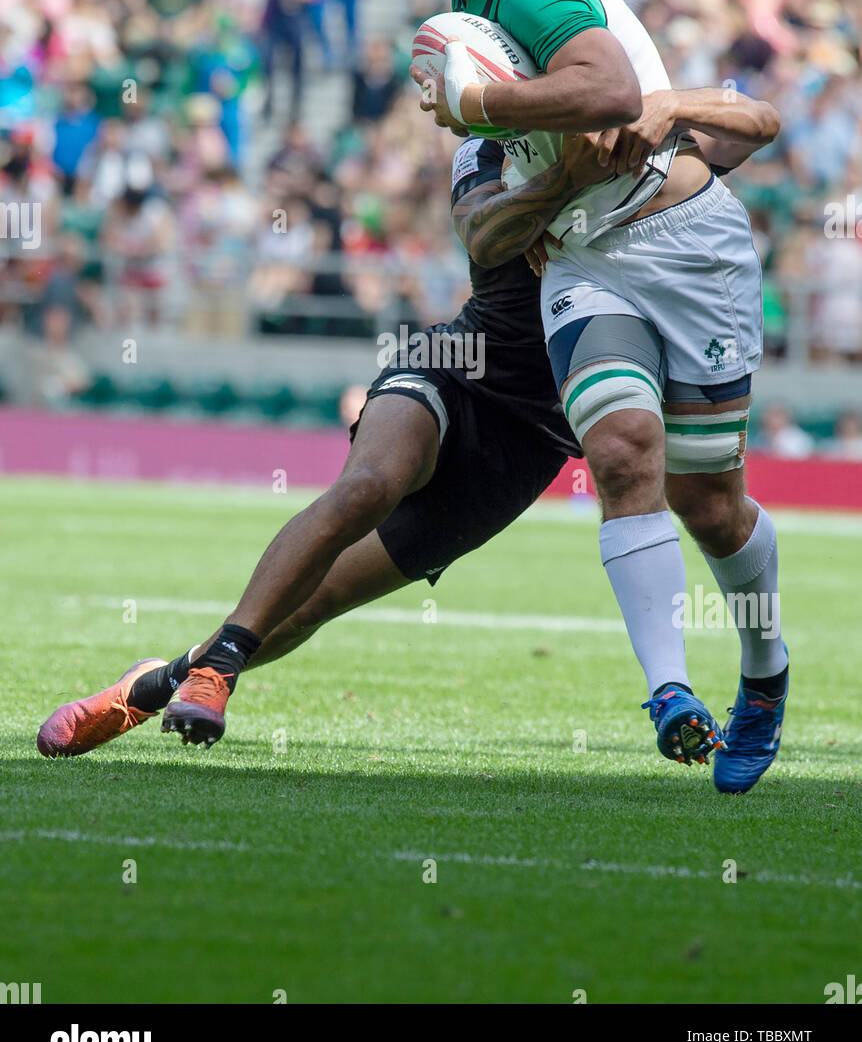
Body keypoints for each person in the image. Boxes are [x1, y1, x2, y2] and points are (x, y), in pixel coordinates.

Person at [37, 83, 778, 793]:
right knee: (367, 485)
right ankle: (216, 670)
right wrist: (565, 179)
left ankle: (158, 680)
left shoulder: (623, 112)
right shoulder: (484, 156)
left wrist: (669, 107)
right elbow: (488, 236)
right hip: (462, 365)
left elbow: (751, 122)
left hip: (531, 437)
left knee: (313, 601)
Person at [371, 0, 787, 789]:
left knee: (711, 502)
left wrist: (488, 102)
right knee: (619, 451)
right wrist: (543, 180)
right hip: (585, 265)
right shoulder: (473, 32)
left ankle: (764, 672)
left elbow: (605, 91)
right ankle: (670, 691)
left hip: (687, 247)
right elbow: (487, 229)